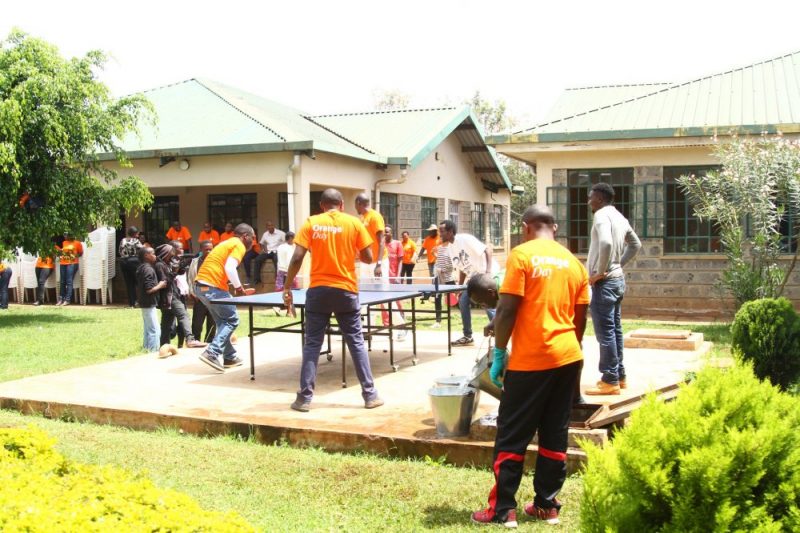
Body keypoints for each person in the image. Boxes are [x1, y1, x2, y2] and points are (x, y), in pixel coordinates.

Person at [470, 205, 589, 527]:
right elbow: (579, 320)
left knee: (512, 434)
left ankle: (503, 509)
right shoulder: (575, 264)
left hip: (530, 361)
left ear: (525, 228)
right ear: (556, 226)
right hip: (567, 358)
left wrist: (498, 353)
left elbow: (506, 309)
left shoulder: (521, 256)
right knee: (554, 431)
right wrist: (566, 352)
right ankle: (547, 504)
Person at [283, 188, 383, 412]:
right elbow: (368, 257)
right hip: (345, 291)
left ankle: (304, 399)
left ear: (321, 206)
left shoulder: (311, 222)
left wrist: (287, 286)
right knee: (356, 342)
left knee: (312, 345)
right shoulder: (354, 223)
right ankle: (370, 395)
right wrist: (350, 249)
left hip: (318, 291)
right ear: (342, 205)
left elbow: (298, 256)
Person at [585, 182, 641, 396]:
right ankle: (620, 376)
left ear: (599, 199)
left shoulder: (601, 215)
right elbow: (635, 245)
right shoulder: (620, 217)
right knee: (616, 330)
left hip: (605, 283)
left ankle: (609, 380)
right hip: (618, 281)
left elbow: (606, 244)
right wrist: (618, 265)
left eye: (591, 197)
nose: (589, 201)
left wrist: (601, 271)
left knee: (605, 333)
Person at [194, 223, 256, 372]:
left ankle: (229, 357)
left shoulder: (226, 243)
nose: (253, 242)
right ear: (245, 236)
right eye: (252, 238)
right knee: (232, 320)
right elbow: (230, 267)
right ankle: (212, 352)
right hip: (212, 287)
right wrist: (238, 287)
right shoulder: (238, 244)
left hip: (201, 287)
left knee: (222, 321)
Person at [438, 219, 498, 346]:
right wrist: (460, 286)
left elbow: (488, 250)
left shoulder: (465, 239)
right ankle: (468, 336)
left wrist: (487, 273)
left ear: (450, 232)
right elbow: (462, 267)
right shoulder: (450, 248)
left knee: (487, 304)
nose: (440, 234)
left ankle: (498, 331)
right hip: (473, 279)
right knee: (463, 301)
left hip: (485, 275)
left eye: (442, 231)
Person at [135, 246, 167, 352]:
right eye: (153, 253)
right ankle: (153, 351)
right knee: (155, 330)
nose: (155, 255)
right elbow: (149, 289)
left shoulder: (141, 267)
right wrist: (161, 285)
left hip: (144, 302)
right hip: (149, 302)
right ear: (146, 256)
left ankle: (146, 348)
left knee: (147, 328)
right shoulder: (148, 269)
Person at [188, 240, 216, 343]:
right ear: (201, 250)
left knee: (212, 322)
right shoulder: (195, 262)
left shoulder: (216, 261)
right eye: (206, 249)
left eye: (211, 249)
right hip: (199, 296)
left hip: (213, 296)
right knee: (197, 323)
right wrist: (192, 292)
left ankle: (209, 342)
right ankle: (196, 341)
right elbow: (190, 278)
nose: (209, 251)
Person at [354, 193, 387, 280]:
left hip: (378, 262)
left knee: (381, 291)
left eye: (355, 205)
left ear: (358, 203)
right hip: (366, 262)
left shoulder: (375, 216)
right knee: (366, 291)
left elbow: (382, 241)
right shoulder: (362, 219)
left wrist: (379, 264)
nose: (355, 208)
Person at [254, 221, 285, 285]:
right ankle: (257, 279)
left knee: (277, 259)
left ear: (273, 225)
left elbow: (286, 242)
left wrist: (282, 250)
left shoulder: (281, 233)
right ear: (266, 227)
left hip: (277, 251)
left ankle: (278, 279)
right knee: (257, 259)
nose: (270, 227)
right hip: (268, 252)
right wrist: (264, 250)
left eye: (271, 225)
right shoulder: (265, 234)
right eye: (268, 226)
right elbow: (261, 243)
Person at [119, 226, 143, 308]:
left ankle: (132, 303)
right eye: (137, 234)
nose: (138, 235)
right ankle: (141, 301)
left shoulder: (123, 240)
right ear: (135, 234)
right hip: (134, 261)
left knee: (129, 283)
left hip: (124, 262)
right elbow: (142, 251)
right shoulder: (136, 241)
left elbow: (120, 251)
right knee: (138, 282)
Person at [57, 234, 83, 306]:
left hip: (72, 263)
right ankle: (61, 299)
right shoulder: (64, 242)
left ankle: (67, 300)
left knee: (69, 281)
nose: (65, 236)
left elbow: (80, 253)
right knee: (62, 281)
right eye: (64, 235)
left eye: (66, 235)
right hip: (63, 263)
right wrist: (60, 253)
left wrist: (73, 256)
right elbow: (61, 252)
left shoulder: (77, 243)